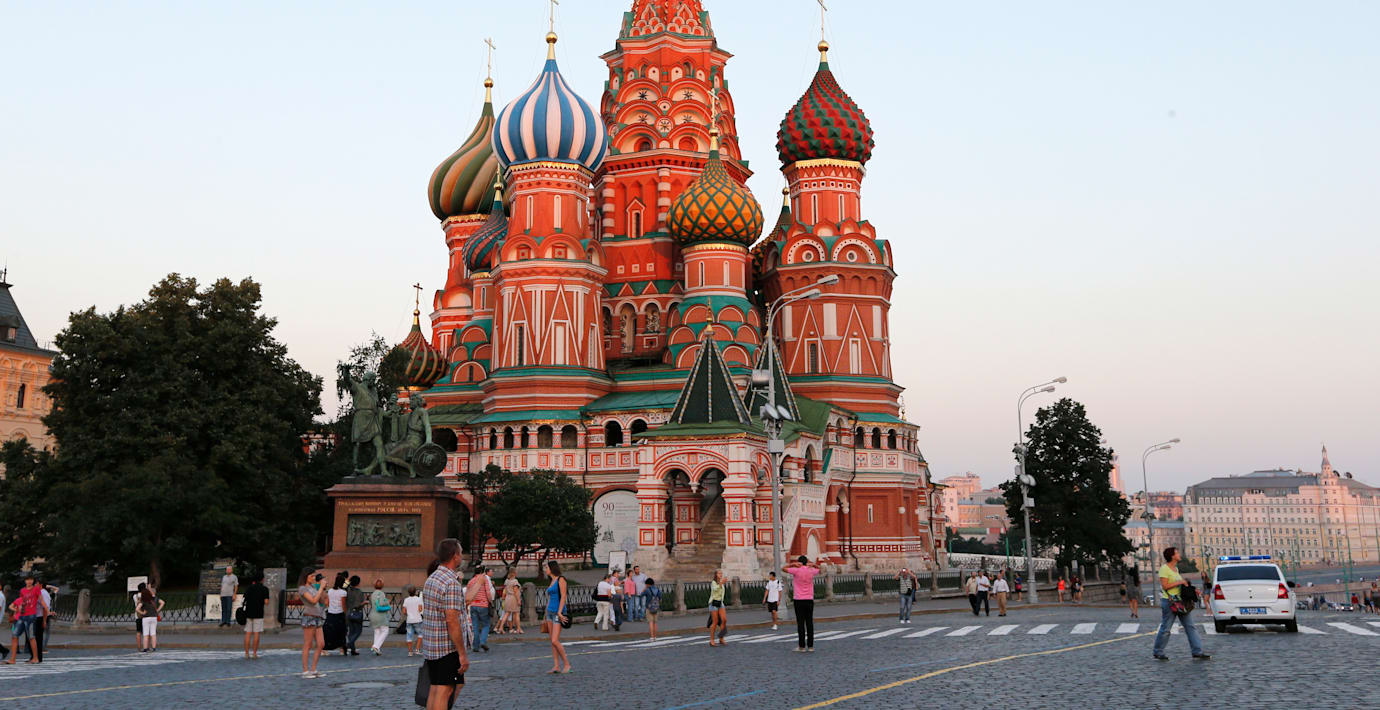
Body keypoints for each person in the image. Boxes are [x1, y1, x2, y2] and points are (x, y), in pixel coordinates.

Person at [422, 538, 471, 708]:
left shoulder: (432, 578)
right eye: (460, 553)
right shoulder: (451, 583)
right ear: (454, 555)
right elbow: (452, 620)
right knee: (446, 690)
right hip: (446, 647)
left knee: (435, 689)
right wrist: (462, 653)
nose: (461, 556)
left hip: (432, 645)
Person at [1152, 547, 1209, 661]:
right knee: (1166, 628)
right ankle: (1158, 651)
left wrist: (1193, 590)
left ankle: (1197, 652)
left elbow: (1181, 587)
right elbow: (1165, 586)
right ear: (1172, 556)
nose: (1179, 554)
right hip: (1169, 602)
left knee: (1190, 627)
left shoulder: (1176, 569)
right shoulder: (1164, 569)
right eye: (1177, 553)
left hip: (1181, 602)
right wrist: (1180, 581)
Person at [784, 556, 821, 652]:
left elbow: (783, 569)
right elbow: (819, 569)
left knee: (800, 623)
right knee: (809, 622)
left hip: (799, 599)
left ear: (799, 562)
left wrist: (792, 564)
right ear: (806, 562)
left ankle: (802, 646)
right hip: (809, 599)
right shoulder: (811, 571)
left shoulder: (796, 570)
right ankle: (811, 646)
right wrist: (813, 565)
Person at [298, 567, 328, 678]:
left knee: (321, 644)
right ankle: (305, 671)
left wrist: (323, 589)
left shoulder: (313, 587)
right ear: (306, 577)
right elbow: (313, 600)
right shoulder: (302, 588)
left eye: (314, 576)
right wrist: (320, 588)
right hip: (309, 616)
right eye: (312, 576)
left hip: (318, 616)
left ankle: (313, 669)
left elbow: (322, 601)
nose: (314, 578)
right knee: (308, 644)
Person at [542, 560, 571, 674]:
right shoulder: (552, 580)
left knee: (555, 640)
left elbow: (563, 596)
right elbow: (550, 598)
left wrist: (559, 612)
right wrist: (545, 614)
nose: (545, 570)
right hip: (550, 612)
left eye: (547, 568)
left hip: (558, 613)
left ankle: (567, 664)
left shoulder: (561, 579)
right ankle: (556, 666)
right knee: (552, 641)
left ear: (552, 568)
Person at [465, 566, 494, 652]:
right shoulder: (484, 579)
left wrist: (467, 604)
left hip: (473, 605)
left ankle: (475, 646)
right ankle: (483, 642)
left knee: (475, 626)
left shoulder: (471, 581)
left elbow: (468, 594)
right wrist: (490, 602)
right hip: (483, 604)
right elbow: (488, 592)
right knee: (486, 625)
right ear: (482, 572)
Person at [243, 572, 270, 659]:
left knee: (248, 633)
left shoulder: (249, 588)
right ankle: (254, 653)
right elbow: (266, 602)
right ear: (262, 579)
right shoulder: (264, 589)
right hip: (258, 613)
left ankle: (246, 653)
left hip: (248, 612)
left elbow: (244, 599)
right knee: (256, 633)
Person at [324, 572, 349, 654]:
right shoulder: (343, 592)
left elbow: (327, 603)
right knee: (341, 632)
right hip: (339, 614)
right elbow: (343, 604)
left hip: (331, 613)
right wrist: (345, 613)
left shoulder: (330, 591)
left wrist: (331, 607)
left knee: (329, 632)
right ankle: (342, 649)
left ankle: (325, 649)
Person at [136, 585, 163, 653]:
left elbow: (137, 609)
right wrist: (157, 610)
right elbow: (162, 602)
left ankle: (145, 648)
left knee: (146, 634)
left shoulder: (143, 600)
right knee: (153, 633)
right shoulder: (154, 599)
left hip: (146, 618)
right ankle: (153, 648)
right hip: (154, 617)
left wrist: (142, 613)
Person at [368, 578, 391, 655]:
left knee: (377, 632)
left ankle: (376, 649)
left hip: (373, 615)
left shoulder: (373, 594)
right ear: (382, 585)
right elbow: (381, 604)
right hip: (380, 616)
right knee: (385, 630)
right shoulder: (381, 593)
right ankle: (376, 646)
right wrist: (387, 602)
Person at [345, 574, 365, 656]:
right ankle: (349, 644)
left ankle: (353, 650)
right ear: (358, 583)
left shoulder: (347, 590)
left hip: (348, 613)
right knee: (358, 631)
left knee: (351, 631)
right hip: (356, 613)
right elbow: (357, 605)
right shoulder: (359, 592)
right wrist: (364, 602)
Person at [707, 570, 728, 646]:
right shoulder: (713, 582)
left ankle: (721, 638)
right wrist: (721, 583)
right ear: (716, 574)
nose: (721, 574)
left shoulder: (721, 583)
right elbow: (715, 589)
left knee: (724, 620)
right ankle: (711, 640)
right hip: (713, 603)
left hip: (720, 603)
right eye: (719, 573)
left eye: (721, 573)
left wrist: (721, 583)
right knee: (715, 622)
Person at [402, 586, 424, 656]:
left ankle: (410, 652)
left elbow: (404, 611)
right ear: (415, 592)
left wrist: (408, 614)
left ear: (408, 592)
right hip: (418, 619)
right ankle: (417, 649)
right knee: (420, 634)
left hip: (409, 620)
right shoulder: (418, 599)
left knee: (409, 636)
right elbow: (420, 609)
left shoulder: (406, 600)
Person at [499, 570, 522, 635]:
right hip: (513, 598)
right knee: (517, 613)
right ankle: (518, 629)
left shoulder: (507, 581)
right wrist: (518, 600)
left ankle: (501, 627)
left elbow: (505, 590)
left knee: (506, 613)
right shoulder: (515, 581)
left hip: (507, 598)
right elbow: (516, 591)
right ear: (514, 573)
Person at [132, 582, 146, 651]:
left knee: (138, 632)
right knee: (146, 632)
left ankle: (139, 647)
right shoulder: (145, 595)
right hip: (145, 615)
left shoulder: (135, 596)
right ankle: (146, 646)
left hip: (137, 615)